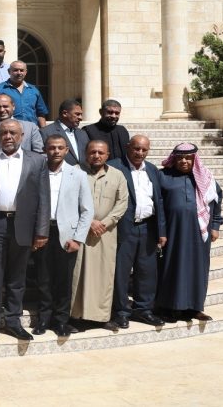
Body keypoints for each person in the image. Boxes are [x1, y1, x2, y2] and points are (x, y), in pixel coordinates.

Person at [0, 120, 49, 342]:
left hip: (22, 224)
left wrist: (42, 231)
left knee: (17, 276)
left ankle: (14, 321)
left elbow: (44, 197)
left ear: (22, 136)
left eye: (13, 133)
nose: (8, 136)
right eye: (4, 133)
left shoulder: (37, 160)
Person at [32, 136, 94, 337]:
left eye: (60, 148)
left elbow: (87, 210)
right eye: (52, 148)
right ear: (45, 150)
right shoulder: (37, 172)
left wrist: (78, 238)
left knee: (64, 280)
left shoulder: (78, 174)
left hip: (67, 234)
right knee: (43, 278)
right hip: (42, 232)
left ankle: (60, 321)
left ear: (67, 150)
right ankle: (43, 319)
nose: (56, 151)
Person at [156, 143, 223, 322]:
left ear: (195, 160)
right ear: (174, 159)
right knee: (172, 267)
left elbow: (216, 201)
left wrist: (215, 226)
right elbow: (158, 205)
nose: (184, 161)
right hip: (173, 231)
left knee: (197, 269)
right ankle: (170, 308)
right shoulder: (163, 176)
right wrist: (160, 231)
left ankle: (194, 308)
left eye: (188, 158)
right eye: (180, 158)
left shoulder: (206, 177)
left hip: (200, 232)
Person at [108, 135, 167, 329]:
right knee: (121, 273)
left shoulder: (152, 170)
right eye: (136, 148)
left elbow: (158, 200)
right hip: (124, 228)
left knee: (147, 272)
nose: (139, 153)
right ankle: (121, 311)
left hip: (148, 228)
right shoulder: (114, 167)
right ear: (128, 147)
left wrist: (161, 231)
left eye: (144, 150)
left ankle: (144, 309)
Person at [71, 140, 129, 329]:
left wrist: (104, 223)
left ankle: (101, 317)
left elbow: (122, 203)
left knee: (104, 275)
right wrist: (88, 222)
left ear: (108, 155)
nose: (96, 155)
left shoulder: (117, 175)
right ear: (86, 153)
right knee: (78, 274)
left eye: (101, 152)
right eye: (93, 152)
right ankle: (76, 317)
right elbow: (67, 200)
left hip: (105, 234)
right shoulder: (75, 171)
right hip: (79, 232)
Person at [0, 60, 49, 128]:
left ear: (26, 72)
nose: (19, 73)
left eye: (21, 70)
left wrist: (43, 131)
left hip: (31, 130)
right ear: (9, 71)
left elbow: (41, 113)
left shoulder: (33, 90)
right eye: (15, 70)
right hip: (9, 130)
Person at [40, 99, 88, 167]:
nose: (81, 118)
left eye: (81, 114)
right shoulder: (46, 132)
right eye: (77, 114)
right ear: (65, 113)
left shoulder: (82, 133)